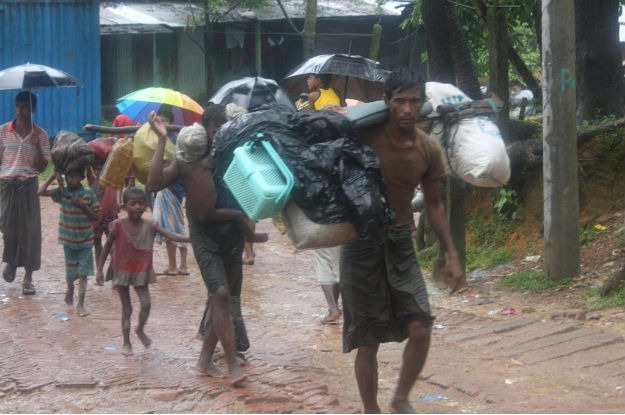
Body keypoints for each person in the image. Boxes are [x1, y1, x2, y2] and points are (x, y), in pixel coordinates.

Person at [340, 68, 464, 413]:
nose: (407, 108)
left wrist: (451, 253)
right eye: (400, 101)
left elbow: (435, 203)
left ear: (422, 104)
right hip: (359, 243)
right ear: (387, 103)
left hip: (399, 243)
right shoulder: (365, 136)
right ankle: (371, 410)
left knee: (421, 326)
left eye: (414, 101)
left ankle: (400, 399)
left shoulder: (428, 149)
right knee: (367, 341)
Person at [146, 104, 268, 386]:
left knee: (222, 299)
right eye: (217, 130)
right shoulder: (189, 156)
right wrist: (163, 139)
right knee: (221, 292)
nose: (222, 135)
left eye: (227, 129)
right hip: (205, 234)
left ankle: (204, 359)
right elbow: (154, 184)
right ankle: (232, 363)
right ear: (207, 130)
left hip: (232, 234)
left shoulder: (238, 155)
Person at [96, 186, 190, 356]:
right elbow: (107, 246)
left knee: (146, 304)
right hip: (121, 271)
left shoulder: (151, 225)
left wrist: (192, 238)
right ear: (125, 206)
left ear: (146, 205)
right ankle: (126, 341)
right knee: (127, 308)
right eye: (133, 204)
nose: (138, 207)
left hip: (141, 271)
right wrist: (100, 270)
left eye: (141, 204)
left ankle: (139, 329)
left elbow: (172, 236)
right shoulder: (117, 225)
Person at [0, 91, 51, 296]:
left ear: (34, 109)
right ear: (15, 107)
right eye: (18, 106)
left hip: (29, 185)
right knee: (8, 228)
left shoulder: (42, 135)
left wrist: (37, 148)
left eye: (26, 106)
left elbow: (41, 167)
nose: (21, 110)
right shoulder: (3, 131)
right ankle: (12, 261)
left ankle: (28, 278)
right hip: (7, 186)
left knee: (30, 232)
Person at [304, 76, 344, 325]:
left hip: (325, 210)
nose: (308, 80)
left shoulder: (317, 149)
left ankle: (332, 309)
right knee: (337, 260)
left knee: (323, 261)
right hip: (345, 212)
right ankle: (336, 307)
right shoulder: (348, 147)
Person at [39, 168, 100, 316]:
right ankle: (70, 288)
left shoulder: (88, 194)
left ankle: (80, 304)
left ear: (82, 176)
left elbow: (96, 216)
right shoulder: (62, 193)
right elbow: (40, 192)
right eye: (68, 176)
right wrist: (52, 176)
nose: (70, 179)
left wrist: (83, 206)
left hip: (85, 241)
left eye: (74, 176)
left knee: (83, 273)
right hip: (68, 241)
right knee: (70, 274)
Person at [152, 107, 189, 276]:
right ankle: (180, 265)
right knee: (177, 226)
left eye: (163, 121)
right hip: (177, 187)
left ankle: (175, 266)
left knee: (170, 227)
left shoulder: (167, 140)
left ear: (169, 122)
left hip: (170, 187)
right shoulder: (177, 139)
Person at [86, 156, 120, 282]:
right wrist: (87, 162)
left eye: (101, 169)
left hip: (109, 217)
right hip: (96, 218)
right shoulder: (92, 181)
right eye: (96, 170)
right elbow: (88, 171)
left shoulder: (110, 181)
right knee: (97, 245)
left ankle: (115, 275)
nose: (98, 172)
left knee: (112, 246)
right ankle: (99, 272)